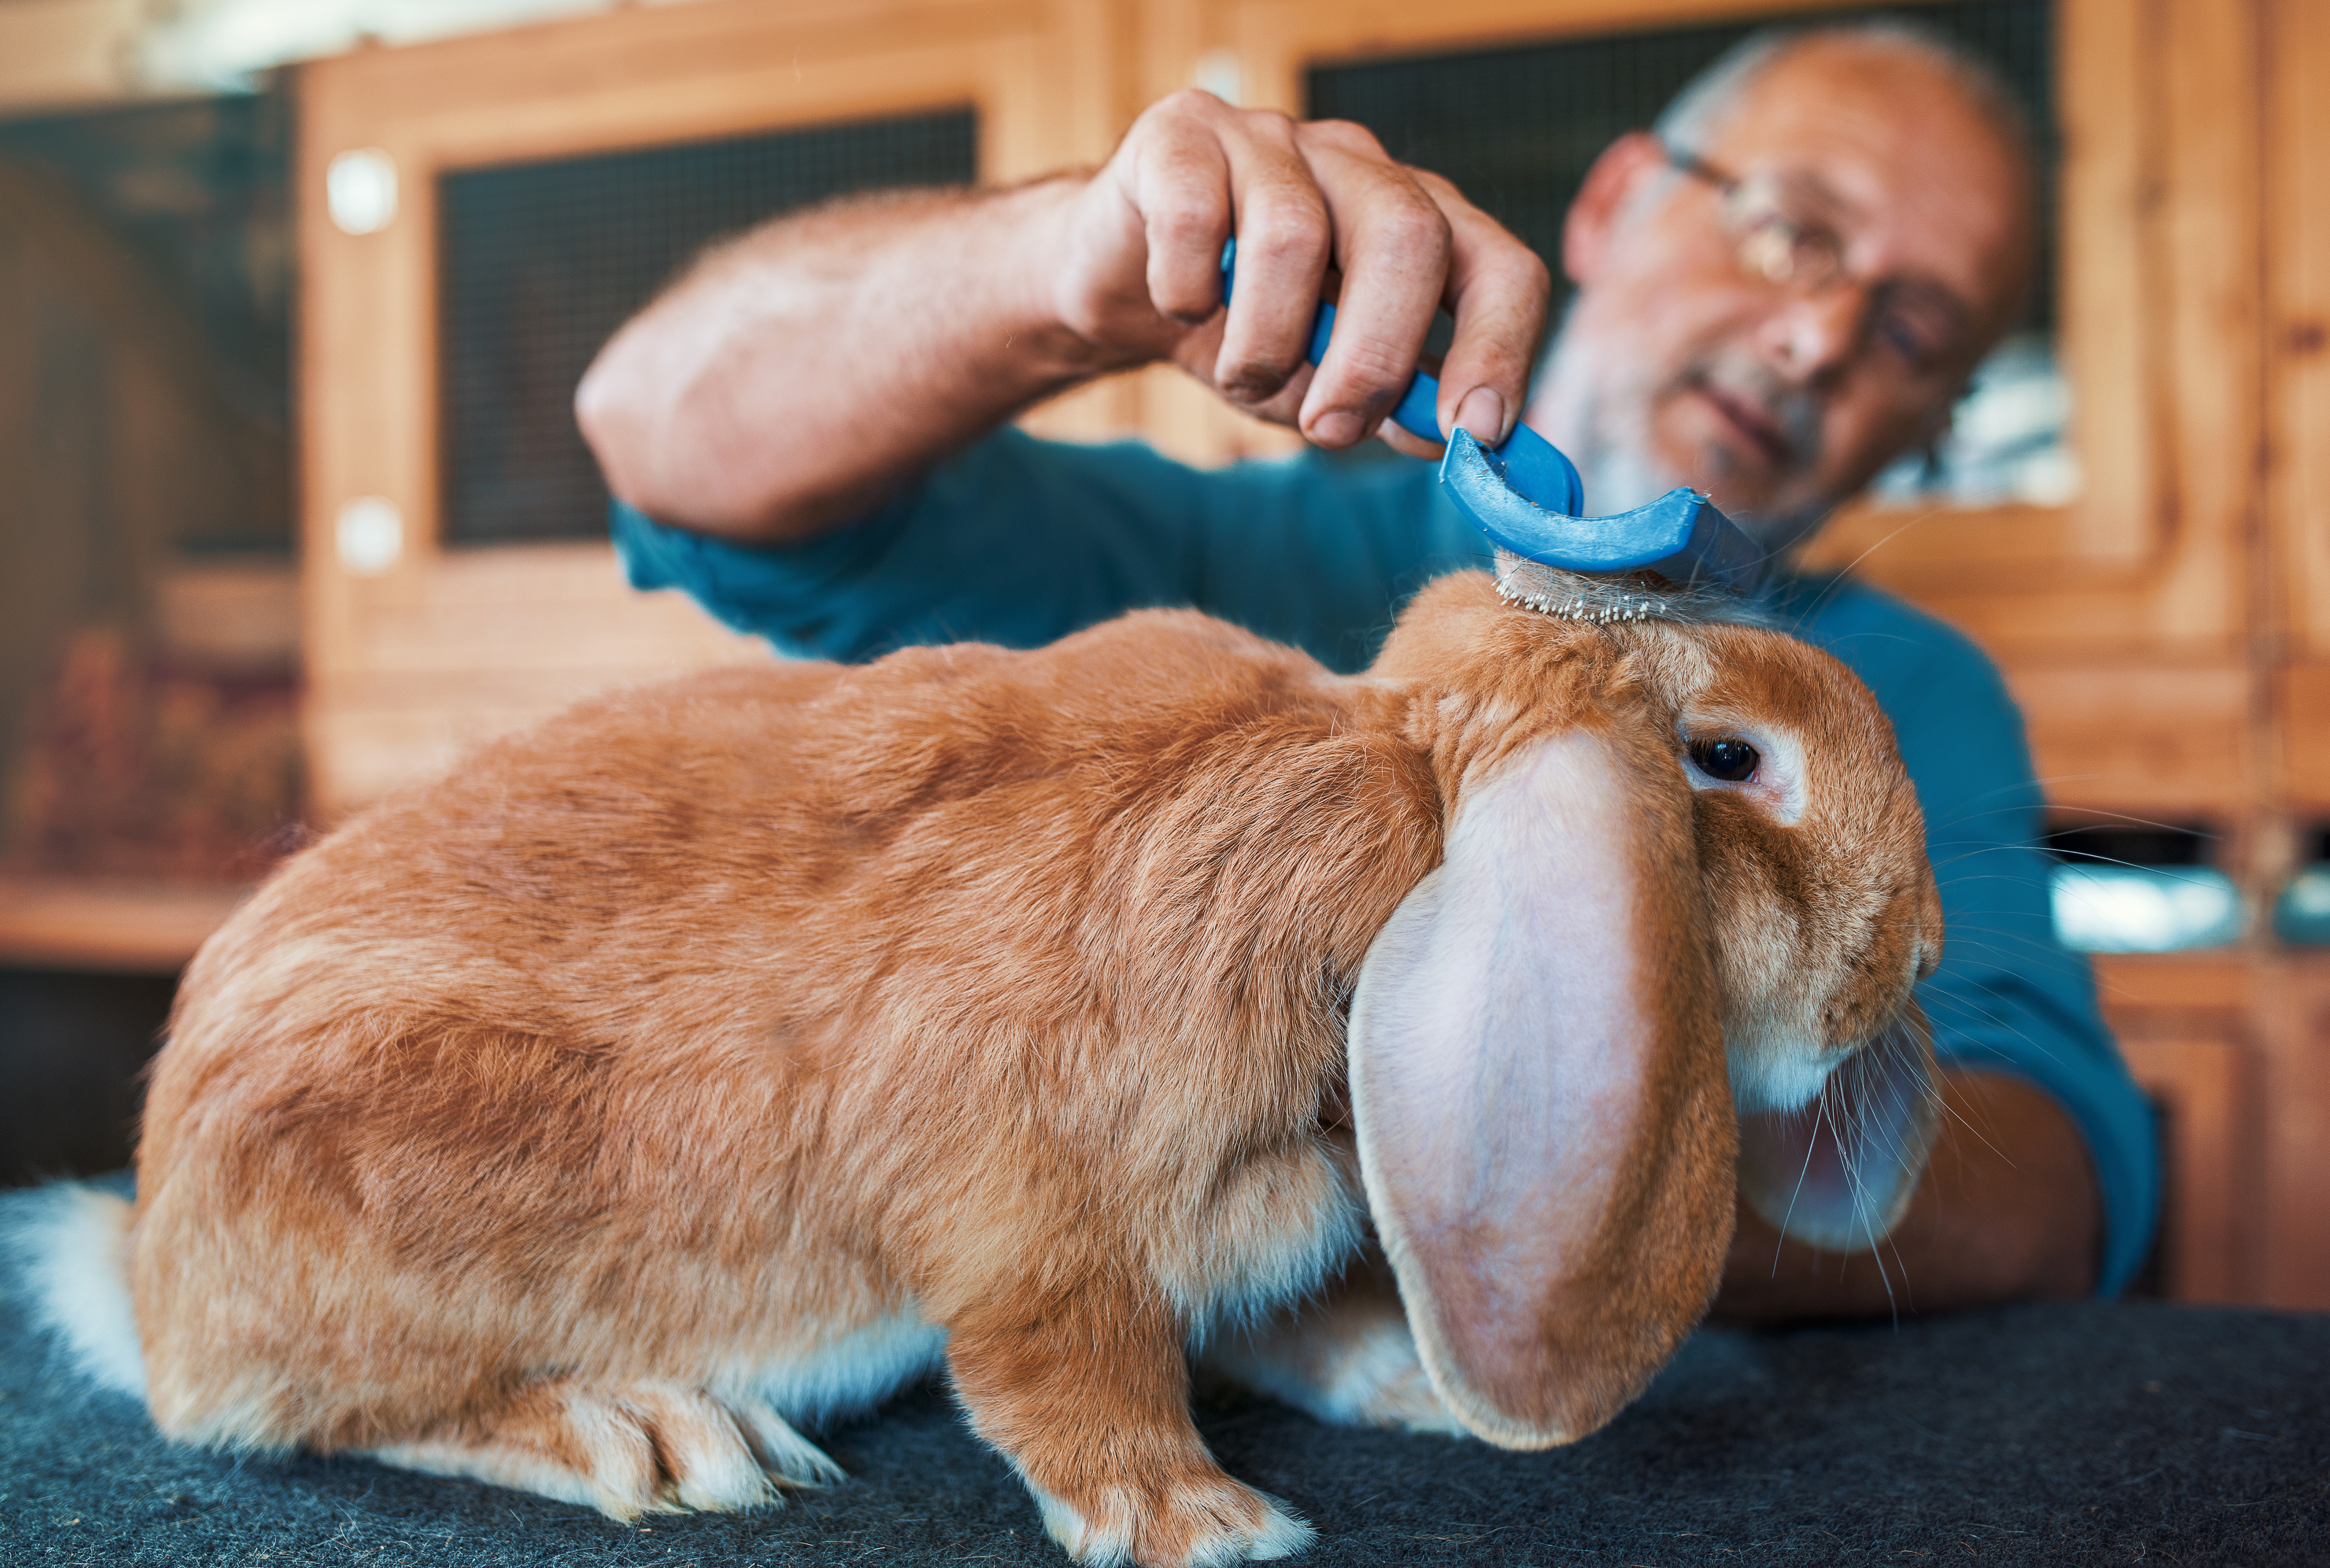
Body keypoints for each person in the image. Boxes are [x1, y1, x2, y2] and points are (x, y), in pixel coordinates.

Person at [575, 21, 2160, 1320]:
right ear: (1611, 206)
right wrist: (1065, 272)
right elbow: (660, 432)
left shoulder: (1902, 695)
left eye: (1914, 333)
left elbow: (2046, 1188)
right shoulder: (1222, 575)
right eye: (1791, 228)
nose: (1818, 339)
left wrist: (1528, 1178)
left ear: (1937, 420)